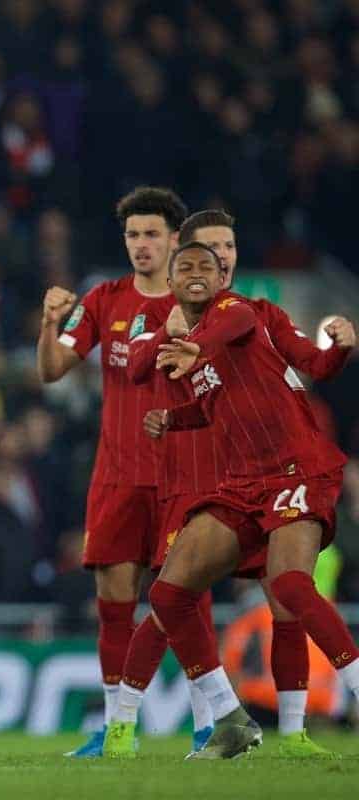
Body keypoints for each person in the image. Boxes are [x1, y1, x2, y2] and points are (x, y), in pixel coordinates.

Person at [106, 212, 356, 758]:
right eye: (198, 256)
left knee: (287, 593)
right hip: (221, 482)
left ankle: (298, 730)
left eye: (223, 252)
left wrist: (338, 349)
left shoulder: (247, 312)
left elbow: (308, 359)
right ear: (175, 272)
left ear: (229, 266)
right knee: (169, 596)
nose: (214, 262)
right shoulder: (172, 325)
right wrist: (174, 414)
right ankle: (214, 718)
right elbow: (143, 366)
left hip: (291, 471)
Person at [36, 186, 197, 757]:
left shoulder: (201, 304)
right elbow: (54, 370)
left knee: (183, 600)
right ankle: (116, 729)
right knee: (114, 603)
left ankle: (207, 720)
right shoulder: (105, 299)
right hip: (117, 475)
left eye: (152, 234)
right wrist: (49, 322)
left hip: (182, 476)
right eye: (133, 235)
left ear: (176, 240)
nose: (142, 245)